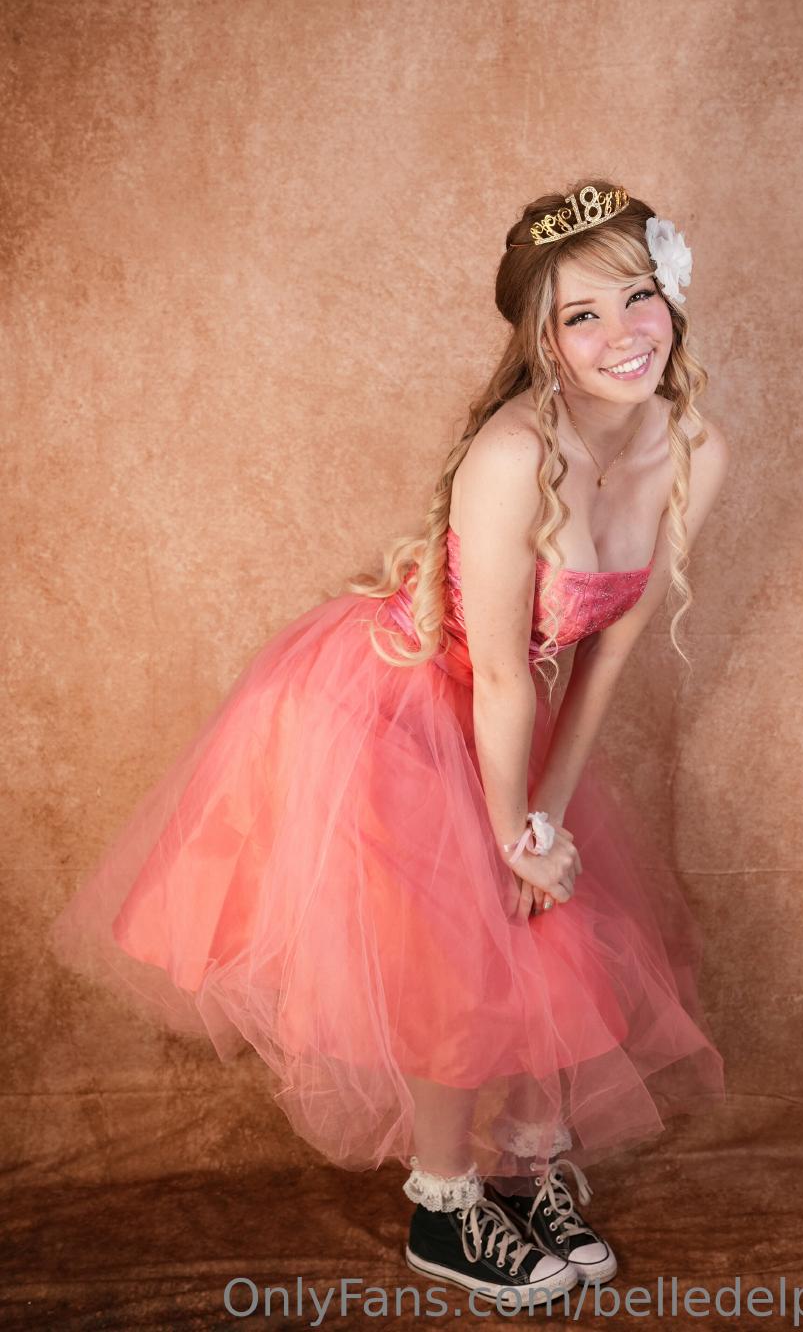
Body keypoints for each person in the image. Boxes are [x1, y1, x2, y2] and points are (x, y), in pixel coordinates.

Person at [50, 178, 730, 1310]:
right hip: (386, 703)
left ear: (671, 292)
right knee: (461, 937)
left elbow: (603, 659)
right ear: (543, 343)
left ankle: (523, 1164)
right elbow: (498, 670)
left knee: (555, 915)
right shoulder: (512, 454)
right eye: (580, 315)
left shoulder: (695, 449)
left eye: (636, 296)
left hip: (508, 714)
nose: (622, 333)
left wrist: (545, 818)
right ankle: (443, 1202)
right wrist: (513, 838)